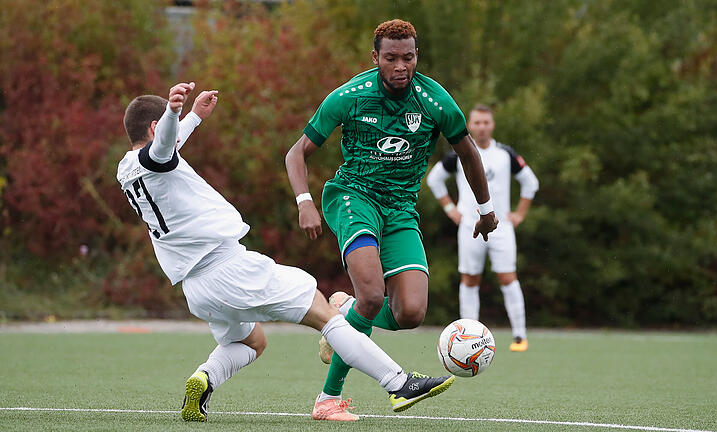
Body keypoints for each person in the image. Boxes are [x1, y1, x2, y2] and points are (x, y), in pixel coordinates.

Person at [118, 81, 455, 423]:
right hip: (228, 268)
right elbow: (162, 148)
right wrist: (175, 112)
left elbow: (163, 149)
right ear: (157, 127)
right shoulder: (159, 154)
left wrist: (192, 117)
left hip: (196, 288)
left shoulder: (126, 168)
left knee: (252, 342)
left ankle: (205, 379)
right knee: (326, 314)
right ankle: (397, 382)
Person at [285, 19, 498, 421]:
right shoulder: (350, 96)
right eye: (391, 58)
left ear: (417, 56)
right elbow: (296, 154)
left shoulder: (435, 101)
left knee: (411, 313)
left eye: (409, 57)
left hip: (400, 209)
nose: (401, 66)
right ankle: (328, 400)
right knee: (371, 296)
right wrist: (304, 201)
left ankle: (344, 315)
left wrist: (486, 212)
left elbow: (469, 154)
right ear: (375, 58)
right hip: (354, 198)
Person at [426, 104, 539, 352]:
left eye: (486, 122)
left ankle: (520, 336)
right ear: (470, 124)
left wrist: (519, 214)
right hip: (469, 228)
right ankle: (470, 336)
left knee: (507, 277)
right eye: (476, 122)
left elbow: (531, 183)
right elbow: (434, 179)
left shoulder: (505, 155)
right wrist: (450, 209)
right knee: (470, 279)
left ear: (492, 124)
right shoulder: (459, 154)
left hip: (502, 228)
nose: (481, 127)